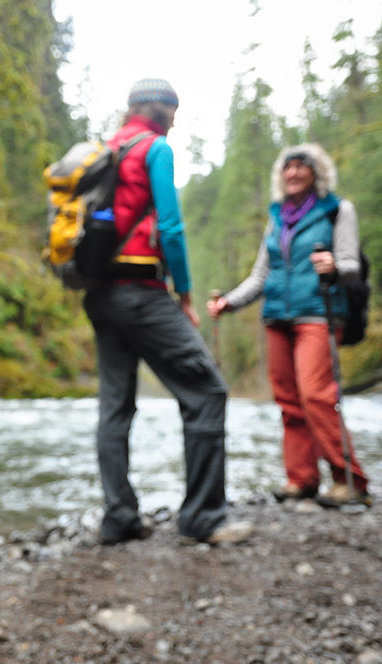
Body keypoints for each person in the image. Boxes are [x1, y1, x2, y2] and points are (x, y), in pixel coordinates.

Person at [85, 78, 253, 545]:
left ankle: (118, 518)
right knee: (207, 392)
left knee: (115, 408)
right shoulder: (155, 149)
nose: (176, 119)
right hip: (141, 290)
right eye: (173, 110)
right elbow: (173, 228)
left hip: (100, 295)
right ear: (160, 111)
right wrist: (184, 294)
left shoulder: (105, 149)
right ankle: (203, 517)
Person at [207, 143, 372, 508]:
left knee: (316, 396)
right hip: (277, 317)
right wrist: (229, 302)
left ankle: (351, 480)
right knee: (288, 401)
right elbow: (261, 274)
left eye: (301, 166)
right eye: (287, 167)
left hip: (319, 314)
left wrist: (333, 265)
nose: (293, 173)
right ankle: (302, 478)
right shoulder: (277, 217)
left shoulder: (337, 211)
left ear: (317, 173)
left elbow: (351, 265)